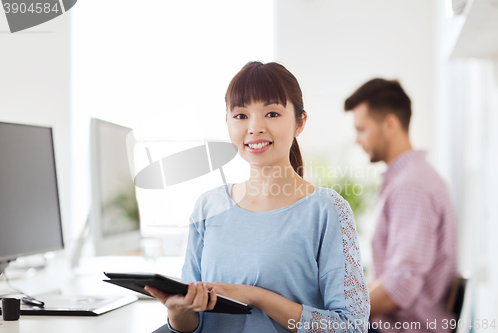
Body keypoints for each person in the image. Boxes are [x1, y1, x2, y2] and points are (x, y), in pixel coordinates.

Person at [145, 61, 370, 332]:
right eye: (241, 116)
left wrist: (255, 296)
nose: (255, 127)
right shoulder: (207, 206)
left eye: (272, 113)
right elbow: (192, 321)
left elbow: (351, 326)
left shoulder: (327, 210)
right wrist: (176, 312)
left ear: (300, 122)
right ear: (227, 123)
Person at [344, 78, 458, 333]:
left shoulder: (411, 185)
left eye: (361, 129)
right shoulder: (409, 179)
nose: (357, 140)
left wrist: (336, 316)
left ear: (390, 124)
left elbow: (400, 285)